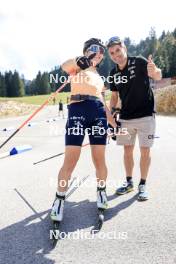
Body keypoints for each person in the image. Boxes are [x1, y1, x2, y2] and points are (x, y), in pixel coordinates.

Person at [50, 38, 117, 222]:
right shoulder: (79, 66)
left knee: (99, 159)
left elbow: (103, 104)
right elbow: (65, 66)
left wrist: (114, 125)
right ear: (87, 50)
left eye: (102, 50)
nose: (99, 52)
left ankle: (101, 191)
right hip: (78, 110)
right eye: (95, 49)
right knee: (70, 160)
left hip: (97, 114)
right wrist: (79, 60)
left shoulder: (100, 78)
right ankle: (59, 198)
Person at [106, 36, 162, 201]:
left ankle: (142, 184)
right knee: (127, 151)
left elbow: (157, 75)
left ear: (124, 47)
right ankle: (129, 182)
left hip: (146, 115)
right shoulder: (113, 72)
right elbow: (114, 96)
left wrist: (154, 71)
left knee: (145, 151)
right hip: (126, 118)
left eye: (118, 50)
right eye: (112, 53)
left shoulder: (138, 61)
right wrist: (112, 117)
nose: (116, 55)